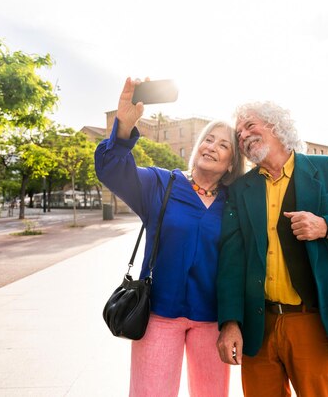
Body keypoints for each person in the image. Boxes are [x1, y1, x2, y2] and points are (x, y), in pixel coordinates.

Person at [215, 101, 328, 396]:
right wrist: (229, 323)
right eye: (238, 133)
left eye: (250, 125)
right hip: (258, 325)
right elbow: (231, 260)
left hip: (312, 321)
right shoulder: (241, 189)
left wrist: (326, 227)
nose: (242, 136)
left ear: (276, 126)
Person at [95, 77, 244, 397]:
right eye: (208, 139)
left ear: (232, 162)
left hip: (211, 321)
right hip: (159, 316)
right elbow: (112, 170)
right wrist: (122, 127)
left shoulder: (235, 203)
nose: (211, 147)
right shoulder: (161, 185)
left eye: (223, 145)